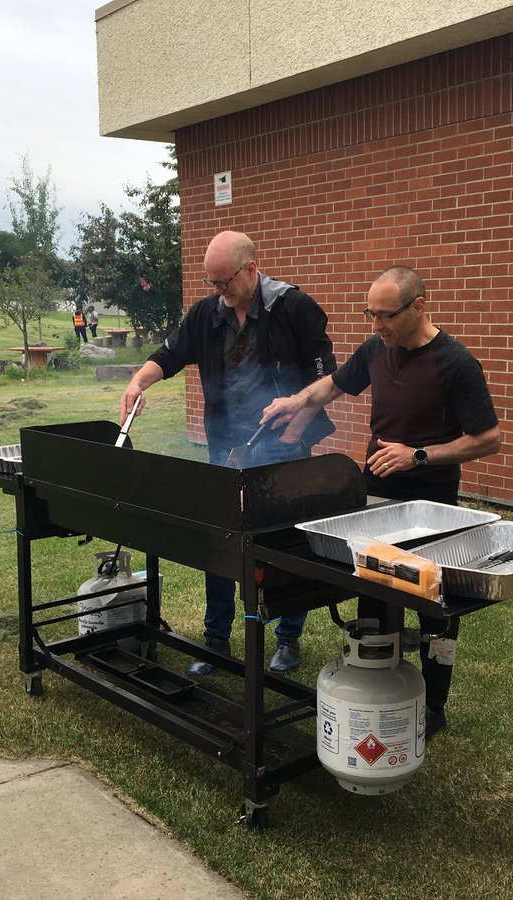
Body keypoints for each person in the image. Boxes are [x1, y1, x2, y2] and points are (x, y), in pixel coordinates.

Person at [262, 265, 502, 737]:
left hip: (433, 505)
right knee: (373, 590)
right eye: (370, 314)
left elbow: (489, 439)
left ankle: (433, 705)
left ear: (419, 306)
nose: (376, 326)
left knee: (435, 608)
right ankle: (379, 691)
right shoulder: (377, 348)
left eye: (386, 316)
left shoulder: (455, 362)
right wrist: (298, 401)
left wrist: (418, 456)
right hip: (375, 496)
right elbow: (334, 384)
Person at [120, 230, 338, 674]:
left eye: (224, 283)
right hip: (226, 448)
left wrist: (295, 433)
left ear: (251, 270)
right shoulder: (207, 314)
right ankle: (216, 642)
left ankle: (288, 638)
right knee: (219, 544)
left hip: (284, 448)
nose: (219, 292)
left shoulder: (294, 308)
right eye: (211, 283)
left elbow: (325, 380)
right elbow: (171, 352)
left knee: (283, 546)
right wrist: (136, 382)